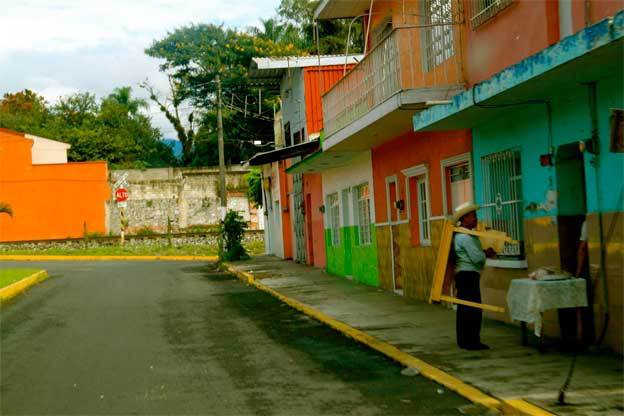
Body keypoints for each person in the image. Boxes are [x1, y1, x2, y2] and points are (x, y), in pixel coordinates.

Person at [452, 202, 496, 350]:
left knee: (465, 309)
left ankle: (464, 340)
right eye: (473, 216)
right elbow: (477, 258)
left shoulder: (465, 235)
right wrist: (486, 253)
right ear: (464, 218)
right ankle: (471, 341)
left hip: (465, 275)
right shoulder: (465, 237)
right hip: (468, 275)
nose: (476, 219)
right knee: (472, 310)